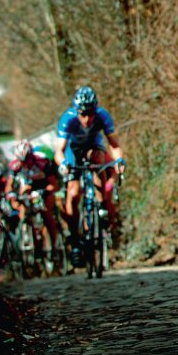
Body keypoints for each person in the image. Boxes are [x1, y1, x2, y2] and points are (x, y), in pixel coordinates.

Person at [54, 86, 126, 266]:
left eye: (91, 114)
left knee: (98, 161)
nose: (88, 119)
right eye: (84, 114)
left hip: (94, 147)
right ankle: (75, 238)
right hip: (74, 151)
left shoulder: (102, 116)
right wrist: (63, 164)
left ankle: (101, 204)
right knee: (73, 192)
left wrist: (119, 161)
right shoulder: (68, 119)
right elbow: (59, 151)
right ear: (77, 111)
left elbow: (114, 144)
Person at [5, 140, 61, 260]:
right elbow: (9, 186)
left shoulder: (43, 163)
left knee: (46, 213)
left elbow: (54, 184)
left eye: (27, 160)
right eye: (22, 161)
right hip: (27, 188)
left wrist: (45, 191)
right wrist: (10, 194)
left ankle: (55, 246)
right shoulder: (14, 166)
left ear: (32, 156)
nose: (25, 164)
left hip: (43, 186)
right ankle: (33, 241)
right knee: (23, 211)